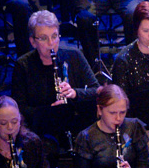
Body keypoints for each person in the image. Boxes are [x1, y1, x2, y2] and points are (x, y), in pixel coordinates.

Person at [8, 10, 95, 146]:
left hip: (76, 127)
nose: (51, 43)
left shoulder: (74, 56)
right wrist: (48, 112)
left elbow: (97, 91)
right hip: (41, 131)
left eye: (54, 36)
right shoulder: (23, 65)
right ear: (33, 41)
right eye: (43, 38)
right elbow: (18, 107)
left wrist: (75, 93)